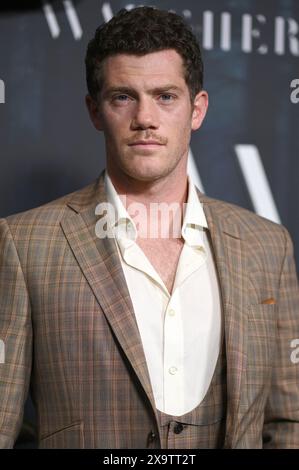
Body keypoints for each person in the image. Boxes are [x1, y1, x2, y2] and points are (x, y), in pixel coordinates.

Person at [0, 6, 298, 449]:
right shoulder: (24, 244)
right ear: (95, 110)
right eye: (123, 96)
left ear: (197, 109)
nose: (145, 118)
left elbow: (288, 424)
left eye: (165, 96)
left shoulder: (266, 245)